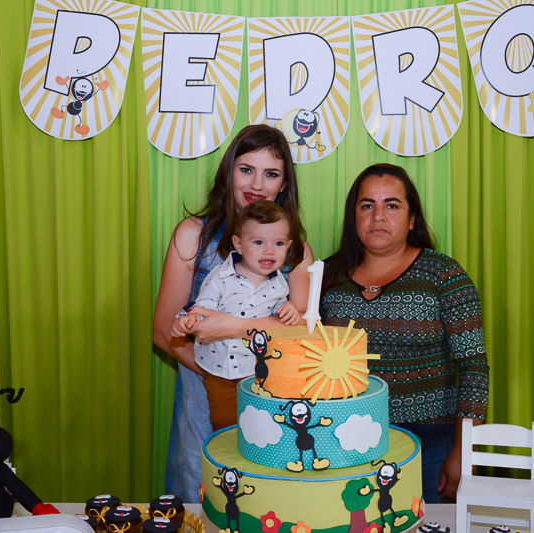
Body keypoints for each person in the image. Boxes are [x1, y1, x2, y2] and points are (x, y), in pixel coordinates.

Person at [153, 124, 314, 503]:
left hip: (269, 397)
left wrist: (230, 327)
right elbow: (164, 331)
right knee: (201, 499)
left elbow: (304, 332)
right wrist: (219, 378)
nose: (257, 183)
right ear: (229, 172)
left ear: (283, 184)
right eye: (246, 169)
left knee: (264, 504)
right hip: (203, 394)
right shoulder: (193, 235)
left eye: (271, 174)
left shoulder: (295, 250)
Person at [319, 163, 489, 503]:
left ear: (412, 219)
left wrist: (464, 452)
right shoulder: (326, 276)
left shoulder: (443, 274)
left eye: (392, 205)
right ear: (354, 217)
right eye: (367, 205)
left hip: (431, 443)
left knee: (429, 523)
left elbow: (473, 369)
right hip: (344, 439)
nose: (378, 216)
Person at [170, 200, 302, 430]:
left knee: (260, 422)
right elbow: (202, 308)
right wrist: (188, 320)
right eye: (258, 242)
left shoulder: (280, 284)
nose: (269, 250)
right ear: (238, 245)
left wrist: (289, 309)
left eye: (279, 243)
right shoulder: (220, 277)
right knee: (224, 423)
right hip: (219, 371)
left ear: (288, 246)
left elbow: (279, 318)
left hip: (258, 370)